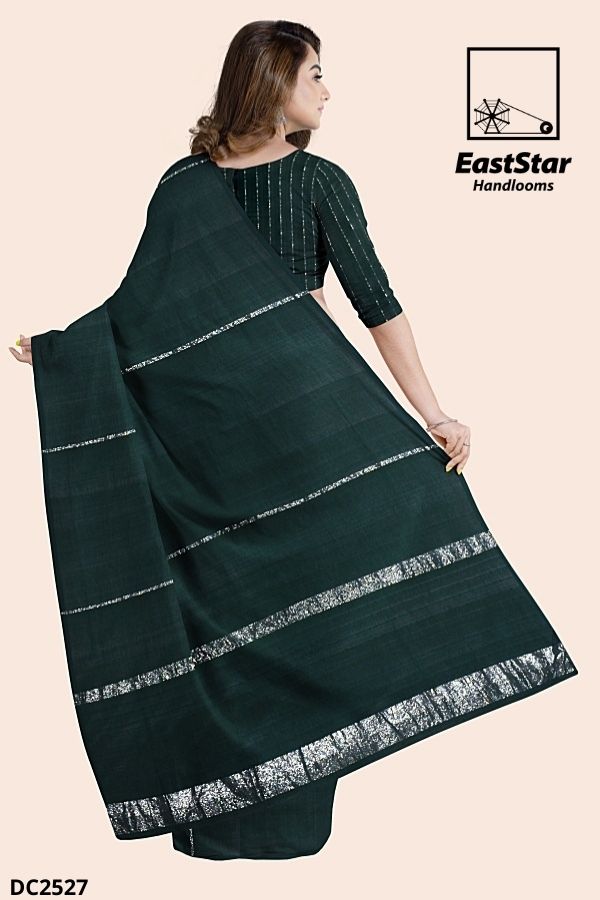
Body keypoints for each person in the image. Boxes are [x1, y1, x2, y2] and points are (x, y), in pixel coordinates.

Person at [10, 20, 576, 862]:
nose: (327, 90)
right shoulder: (184, 185)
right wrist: (65, 351)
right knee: (229, 615)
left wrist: (434, 413)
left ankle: (283, 815)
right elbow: (143, 309)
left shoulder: (317, 181)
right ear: (272, 81)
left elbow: (376, 303)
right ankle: (223, 812)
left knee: (317, 618)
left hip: (309, 428)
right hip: (215, 442)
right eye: (315, 73)